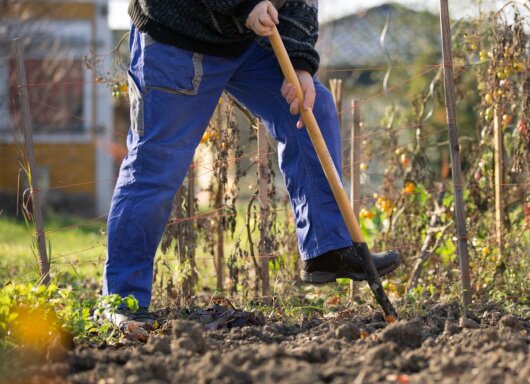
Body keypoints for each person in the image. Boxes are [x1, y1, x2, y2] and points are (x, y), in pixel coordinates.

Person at [102, 0, 401, 327]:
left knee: (310, 107)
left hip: (244, 39)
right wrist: (244, 4)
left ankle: (327, 247)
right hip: (178, 32)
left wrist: (299, 62)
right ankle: (123, 301)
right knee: (155, 165)